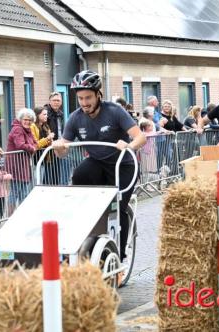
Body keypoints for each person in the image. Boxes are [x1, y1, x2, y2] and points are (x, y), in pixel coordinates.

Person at [52, 70, 146, 261]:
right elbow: (64, 151)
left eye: (88, 98)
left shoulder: (114, 111)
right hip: (98, 163)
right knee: (79, 174)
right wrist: (58, 147)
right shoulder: (75, 118)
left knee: (117, 206)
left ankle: (119, 255)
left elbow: (140, 137)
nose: (85, 103)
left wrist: (129, 145)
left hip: (122, 165)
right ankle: (84, 233)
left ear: (98, 95)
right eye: (80, 99)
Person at [5, 108, 38, 214]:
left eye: (30, 120)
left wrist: (32, 146)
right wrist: (32, 148)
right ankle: (10, 216)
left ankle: (22, 215)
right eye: (25, 119)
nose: (27, 122)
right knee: (15, 191)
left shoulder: (28, 130)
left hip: (24, 164)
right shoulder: (17, 129)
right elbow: (20, 144)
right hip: (16, 164)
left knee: (24, 191)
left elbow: (36, 143)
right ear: (20, 119)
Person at [45, 92, 69, 185]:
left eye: (58, 100)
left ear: (61, 102)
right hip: (49, 147)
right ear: (50, 101)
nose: (56, 102)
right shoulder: (46, 113)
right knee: (48, 175)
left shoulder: (60, 113)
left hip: (59, 145)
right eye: (54, 100)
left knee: (57, 172)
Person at [30, 106, 54, 182]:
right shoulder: (32, 126)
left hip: (44, 158)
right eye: (44, 114)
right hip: (35, 158)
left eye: (46, 114)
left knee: (40, 181)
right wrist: (48, 138)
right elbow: (36, 144)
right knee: (35, 181)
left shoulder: (46, 126)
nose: (46, 116)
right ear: (37, 115)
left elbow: (50, 142)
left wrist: (51, 141)